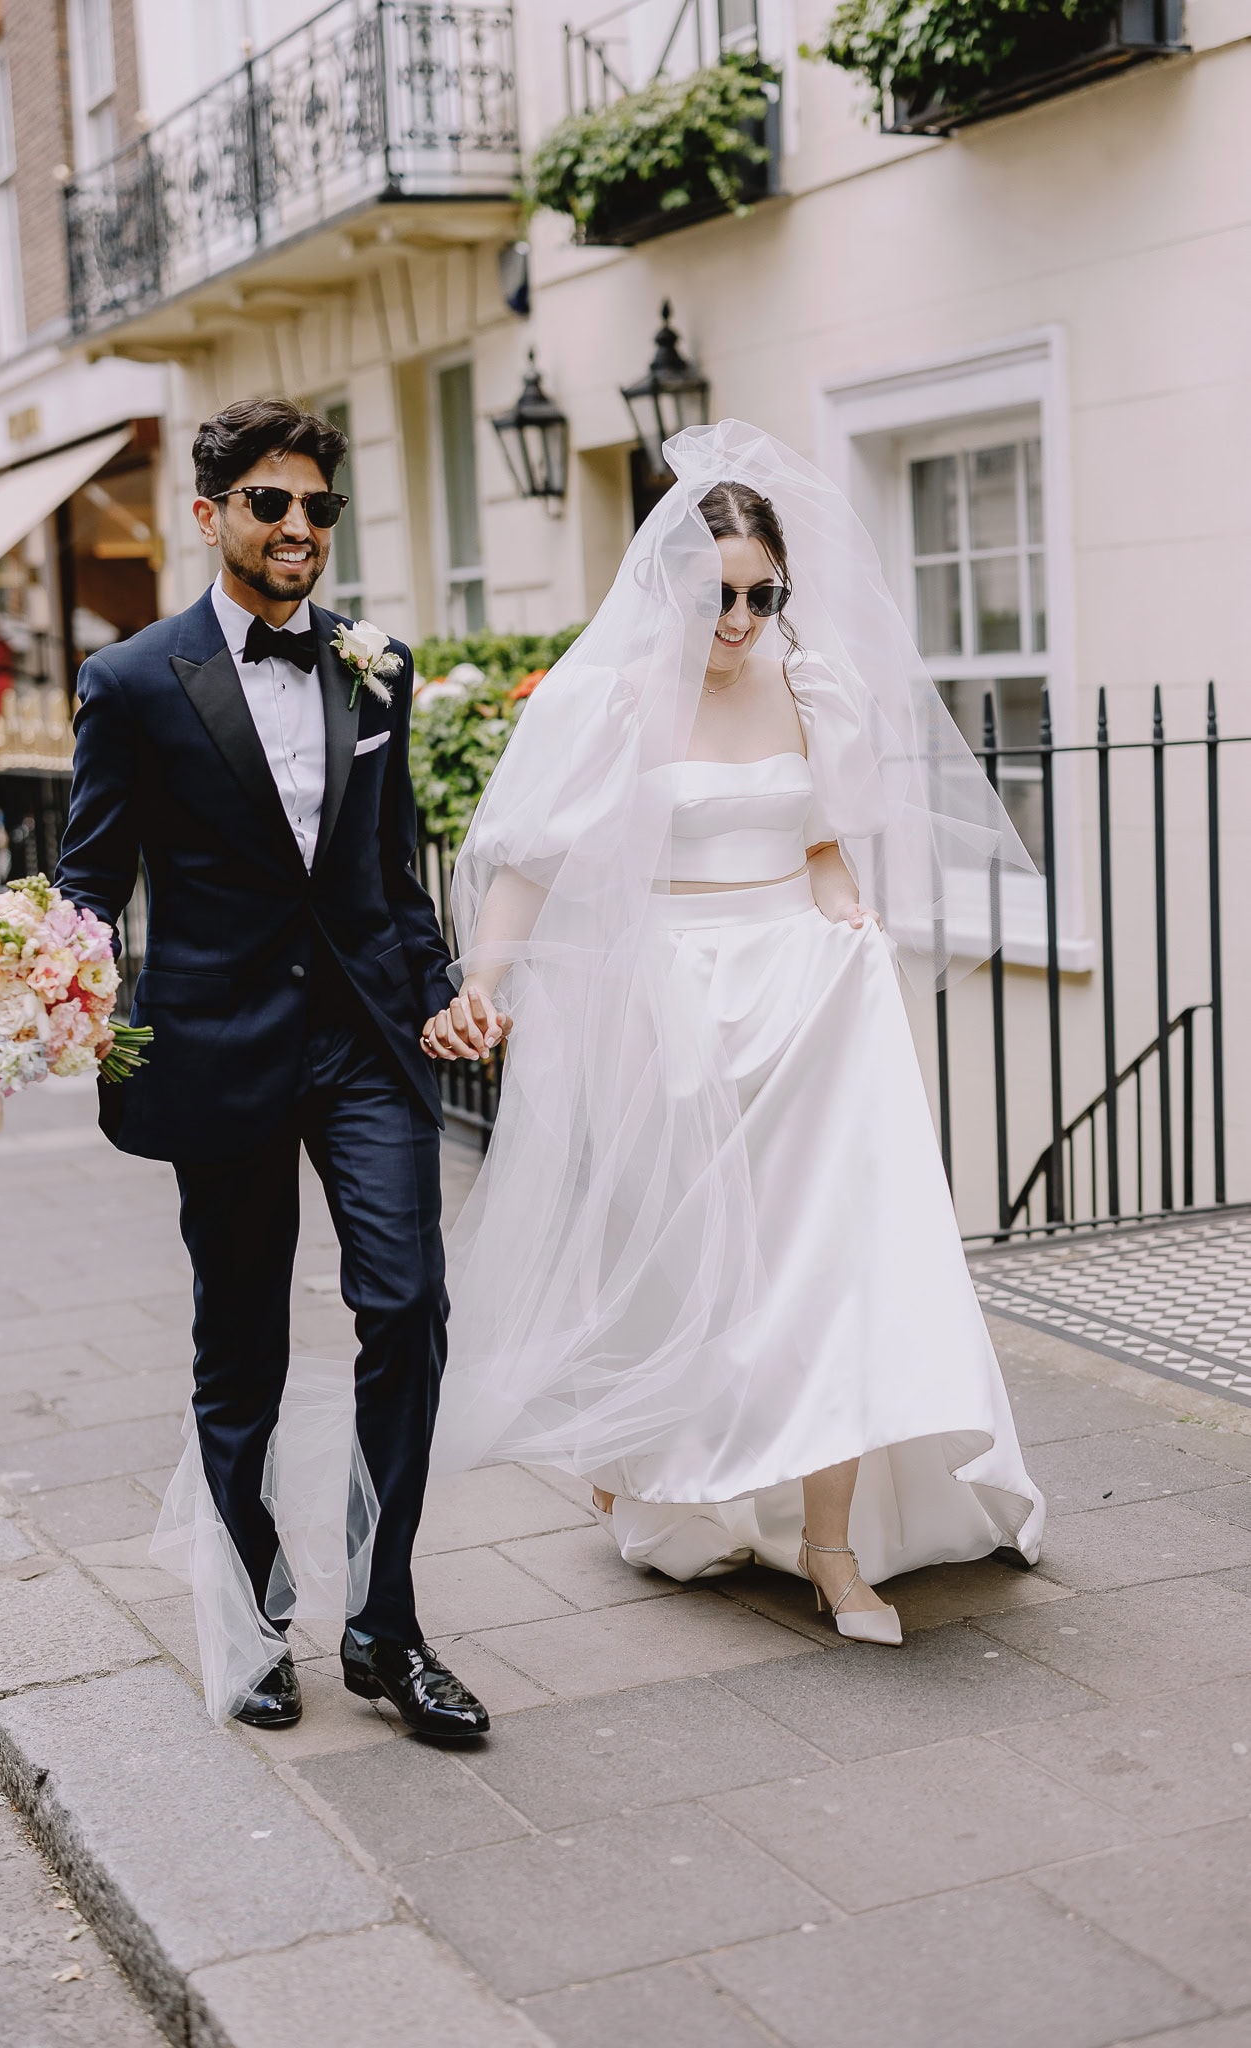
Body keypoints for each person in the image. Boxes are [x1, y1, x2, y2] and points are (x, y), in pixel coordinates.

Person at [425, 420, 1045, 1642]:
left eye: (763, 596)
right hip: (673, 1003)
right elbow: (529, 869)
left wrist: (844, 909)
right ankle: (658, 1457)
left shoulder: (810, 682)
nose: (742, 622)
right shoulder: (605, 703)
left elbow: (819, 844)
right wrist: (484, 981)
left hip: (810, 997)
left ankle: (832, 1543)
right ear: (668, 588)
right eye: (720, 598)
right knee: (688, 1268)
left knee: (841, 1266)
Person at [57, 398, 496, 1737]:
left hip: (365, 1039)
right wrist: (40, 993)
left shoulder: (377, 665)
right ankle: (252, 1603)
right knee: (239, 1342)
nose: (300, 527)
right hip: (219, 1043)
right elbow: (89, 879)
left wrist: (439, 992)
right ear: (211, 516)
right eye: (271, 504)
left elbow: (386, 870)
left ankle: (385, 1623)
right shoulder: (132, 682)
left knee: (408, 1307)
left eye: (317, 506)